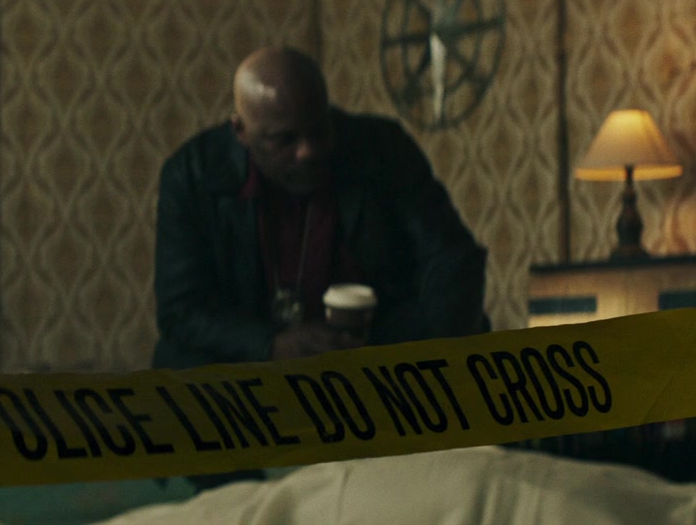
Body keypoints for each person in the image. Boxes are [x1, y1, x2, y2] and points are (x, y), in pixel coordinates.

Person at [152, 45, 488, 368]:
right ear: (241, 131)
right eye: (284, 140)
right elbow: (182, 308)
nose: (308, 151)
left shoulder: (383, 149)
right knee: (176, 362)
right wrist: (270, 346)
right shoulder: (192, 174)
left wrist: (391, 352)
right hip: (249, 369)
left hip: (377, 355)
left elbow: (452, 259)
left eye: (318, 129)